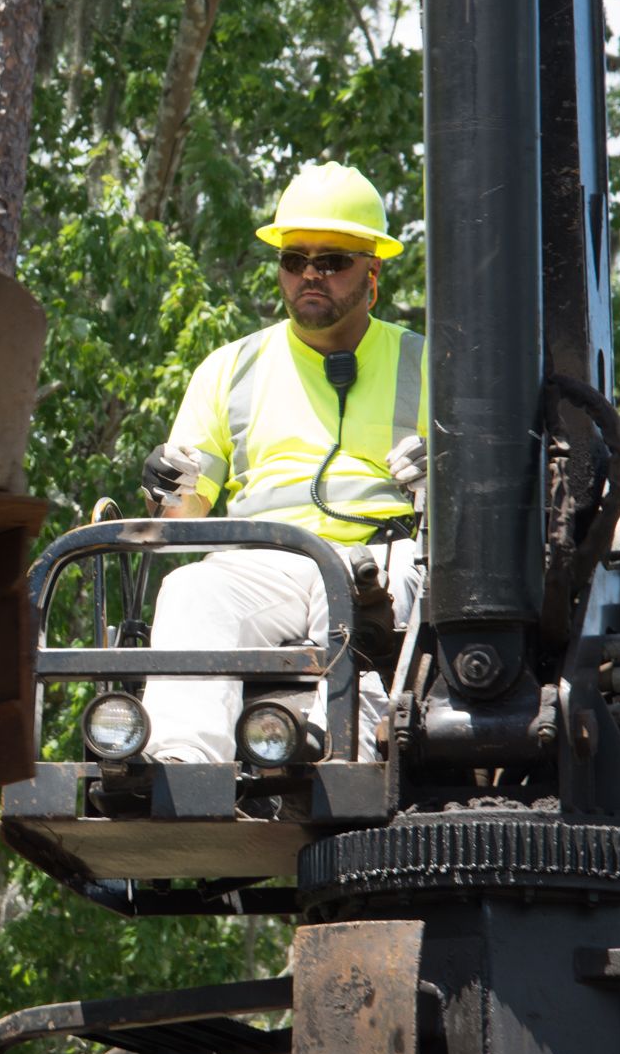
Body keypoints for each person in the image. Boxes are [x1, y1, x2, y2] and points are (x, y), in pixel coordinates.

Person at [137, 162, 428, 764]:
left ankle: (334, 746)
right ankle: (184, 764)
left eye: (332, 260)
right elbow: (187, 508)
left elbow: (484, 500)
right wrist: (169, 488)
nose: (310, 275)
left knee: (387, 589)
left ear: (373, 270)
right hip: (264, 560)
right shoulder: (229, 368)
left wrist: (441, 482)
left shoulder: (427, 364)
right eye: (295, 260)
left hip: (379, 555)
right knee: (191, 589)